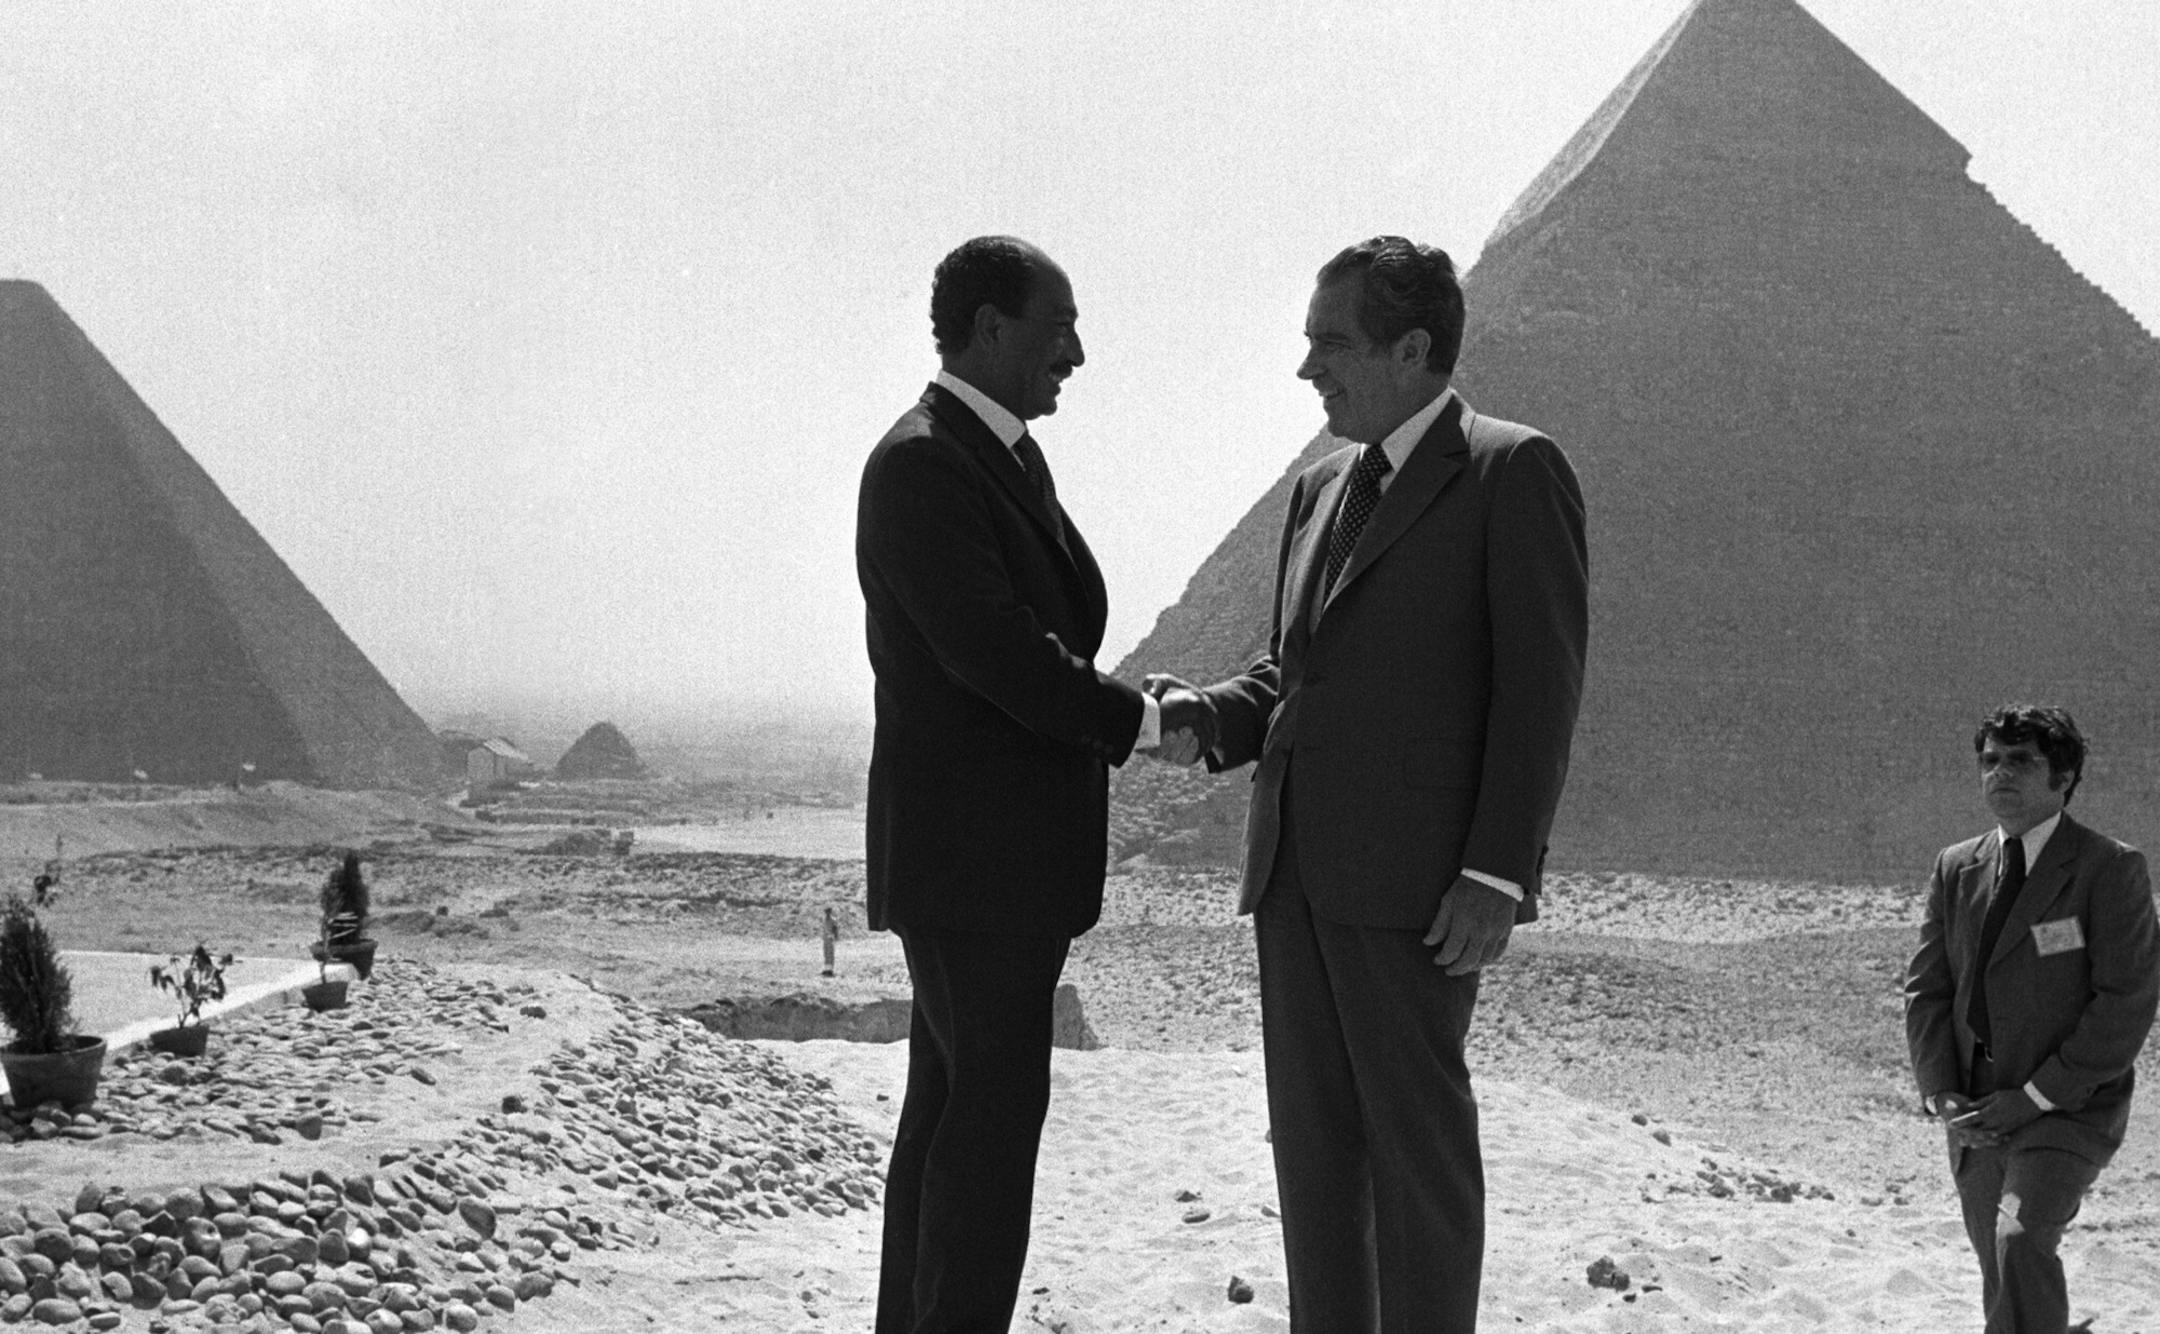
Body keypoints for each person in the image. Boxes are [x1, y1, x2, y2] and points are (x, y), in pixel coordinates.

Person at [1148, 235, 1587, 1332]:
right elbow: (1294, 674)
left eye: (1330, 344)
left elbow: (1540, 692)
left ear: (1412, 348)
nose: (1308, 368)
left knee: (1416, 1162)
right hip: (1292, 876)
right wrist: (1204, 715)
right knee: (1314, 1164)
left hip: (1416, 891)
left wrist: (1496, 872)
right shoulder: (1318, 490)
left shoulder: (1511, 471)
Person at [856, 234, 1213, 1334]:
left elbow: (1036, 637)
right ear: (990, 327)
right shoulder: (923, 463)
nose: (1077, 354)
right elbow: (997, 652)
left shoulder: (997, 453)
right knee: (988, 1137)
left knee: (952, 1122)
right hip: (976, 871)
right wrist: (1140, 721)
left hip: (995, 869)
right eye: (1059, 328)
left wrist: (1120, 697)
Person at [1905, 704, 2159, 1333]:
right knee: (2000, 1267)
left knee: (2018, 1239)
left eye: (2021, 761)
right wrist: (1941, 1093)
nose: (2000, 773)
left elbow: (2125, 1001)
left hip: (2068, 1105)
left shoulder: (2108, 868)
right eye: (1990, 760)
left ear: (2063, 777)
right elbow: (1928, 991)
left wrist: (2037, 1096)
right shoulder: (1956, 867)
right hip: (1976, 1108)